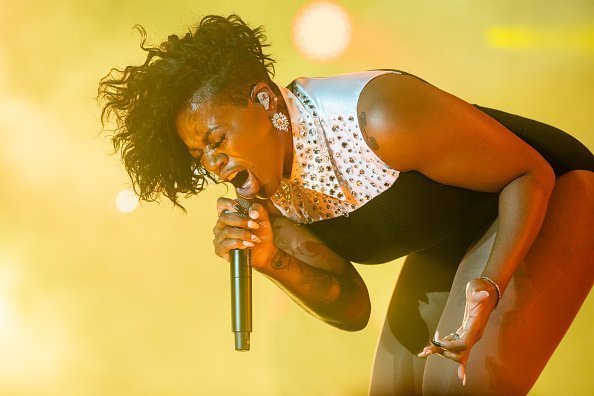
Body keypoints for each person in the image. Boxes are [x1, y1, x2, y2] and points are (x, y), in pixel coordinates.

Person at [98, 14, 594, 395]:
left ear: (265, 101)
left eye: (217, 138)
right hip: (451, 237)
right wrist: (273, 261)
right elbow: (352, 307)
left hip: (548, 191)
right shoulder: (271, 203)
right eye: (199, 154)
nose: (214, 163)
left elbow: (529, 174)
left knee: (453, 388)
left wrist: (489, 288)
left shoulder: (377, 115)